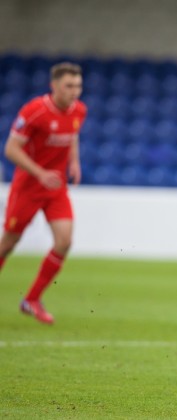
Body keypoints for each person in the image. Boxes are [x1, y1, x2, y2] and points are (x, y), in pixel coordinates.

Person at [0, 62, 87, 325]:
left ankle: (32, 299)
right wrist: (39, 173)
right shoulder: (34, 111)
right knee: (9, 243)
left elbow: (72, 135)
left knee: (64, 240)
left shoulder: (79, 110)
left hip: (56, 187)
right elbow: (11, 150)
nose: (75, 91)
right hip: (28, 186)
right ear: (54, 86)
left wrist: (74, 161)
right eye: (69, 86)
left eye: (78, 86)